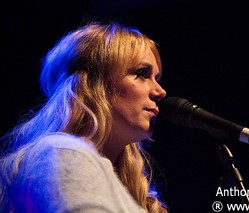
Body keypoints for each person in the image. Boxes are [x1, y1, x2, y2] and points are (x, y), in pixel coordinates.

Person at [0, 21, 168, 213]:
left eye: (157, 78)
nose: (160, 91)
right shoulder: (61, 152)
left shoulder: (122, 184)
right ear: (95, 85)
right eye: (141, 74)